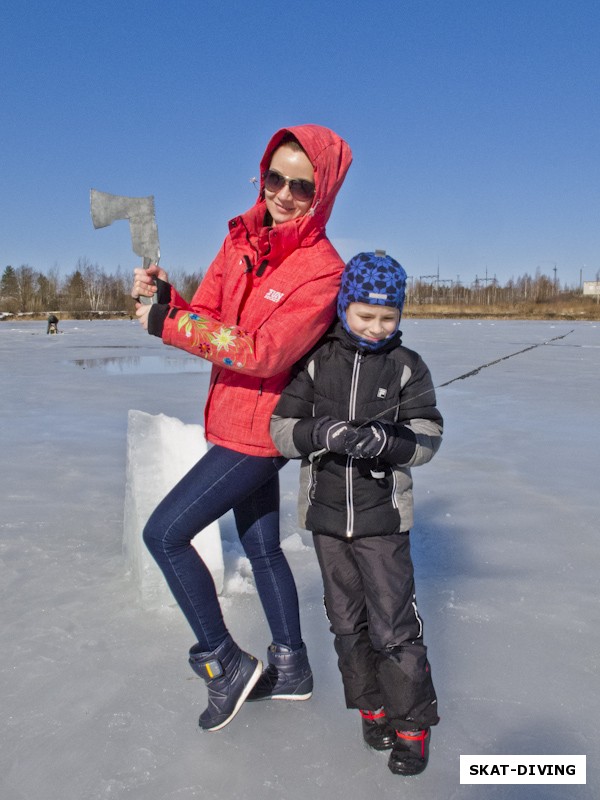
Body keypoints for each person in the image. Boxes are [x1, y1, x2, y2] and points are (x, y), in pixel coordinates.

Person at [131, 125, 352, 732]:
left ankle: (222, 662)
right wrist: (168, 302)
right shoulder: (242, 241)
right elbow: (205, 317)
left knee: (165, 534)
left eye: (301, 186)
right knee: (260, 546)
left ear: (324, 190)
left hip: (262, 432)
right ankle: (292, 666)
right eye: (274, 178)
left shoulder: (322, 272)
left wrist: (164, 326)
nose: (283, 194)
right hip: (228, 417)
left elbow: (262, 353)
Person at [269, 252, 442, 775]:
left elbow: (428, 439)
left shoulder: (407, 365)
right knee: (346, 625)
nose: (376, 327)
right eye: (365, 315)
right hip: (326, 522)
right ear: (345, 307)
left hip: (382, 523)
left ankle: (412, 727)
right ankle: (373, 710)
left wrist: (386, 441)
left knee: (393, 628)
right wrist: (320, 433)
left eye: (387, 318)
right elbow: (281, 428)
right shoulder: (318, 360)